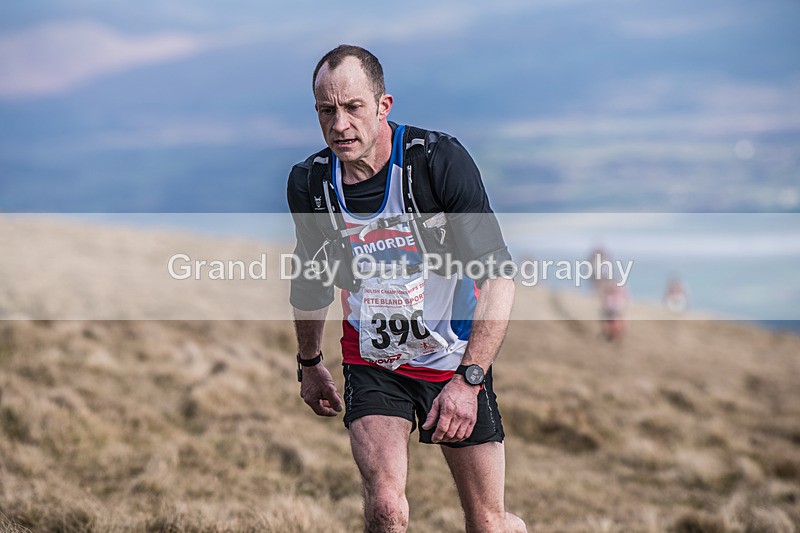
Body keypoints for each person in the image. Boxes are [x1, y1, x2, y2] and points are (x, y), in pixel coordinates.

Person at [287, 45, 526, 533]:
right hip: (375, 364)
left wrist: (470, 379)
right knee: (385, 509)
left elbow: (499, 275)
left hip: (453, 359)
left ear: (383, 105)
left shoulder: (436, 163)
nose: (340, 124)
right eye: (326, 111)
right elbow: (312, 280)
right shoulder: (312, 184)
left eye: (353, 107)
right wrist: (309, 364)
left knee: (488, 522)